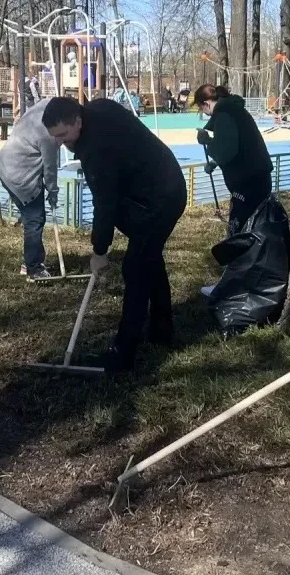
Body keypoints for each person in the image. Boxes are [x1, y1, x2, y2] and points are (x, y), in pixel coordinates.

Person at [42, 96, 188, 372]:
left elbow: (105, 204)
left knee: (135, 267)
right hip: (156, 187)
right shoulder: (99, 108)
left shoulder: (97, 149)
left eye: (62, 134)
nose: (59, 142)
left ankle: (124, 353)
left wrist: (99, 251)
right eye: (54, 136)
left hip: (161, 197)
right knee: (149, 258)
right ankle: (161, 330)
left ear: (77, 121)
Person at [194, 84, 274, 235]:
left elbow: (226, 152)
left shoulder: (223, 114)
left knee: (240, 232)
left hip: (247, 182)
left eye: (201, 108)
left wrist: (207, 141)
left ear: (206, 103)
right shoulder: (235, 109)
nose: (204, 113)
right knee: (258, 226)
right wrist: (215, 162)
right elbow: (240, 145)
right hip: (259, 176)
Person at [0, 97, 61, 281]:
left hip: (6, 166)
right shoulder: (49, 132)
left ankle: (32, 260)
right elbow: (50, 167)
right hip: (21, 174)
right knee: (35, 219)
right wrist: (53, 191)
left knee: (32, 217)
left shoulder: (39, 109)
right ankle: (33, 268)